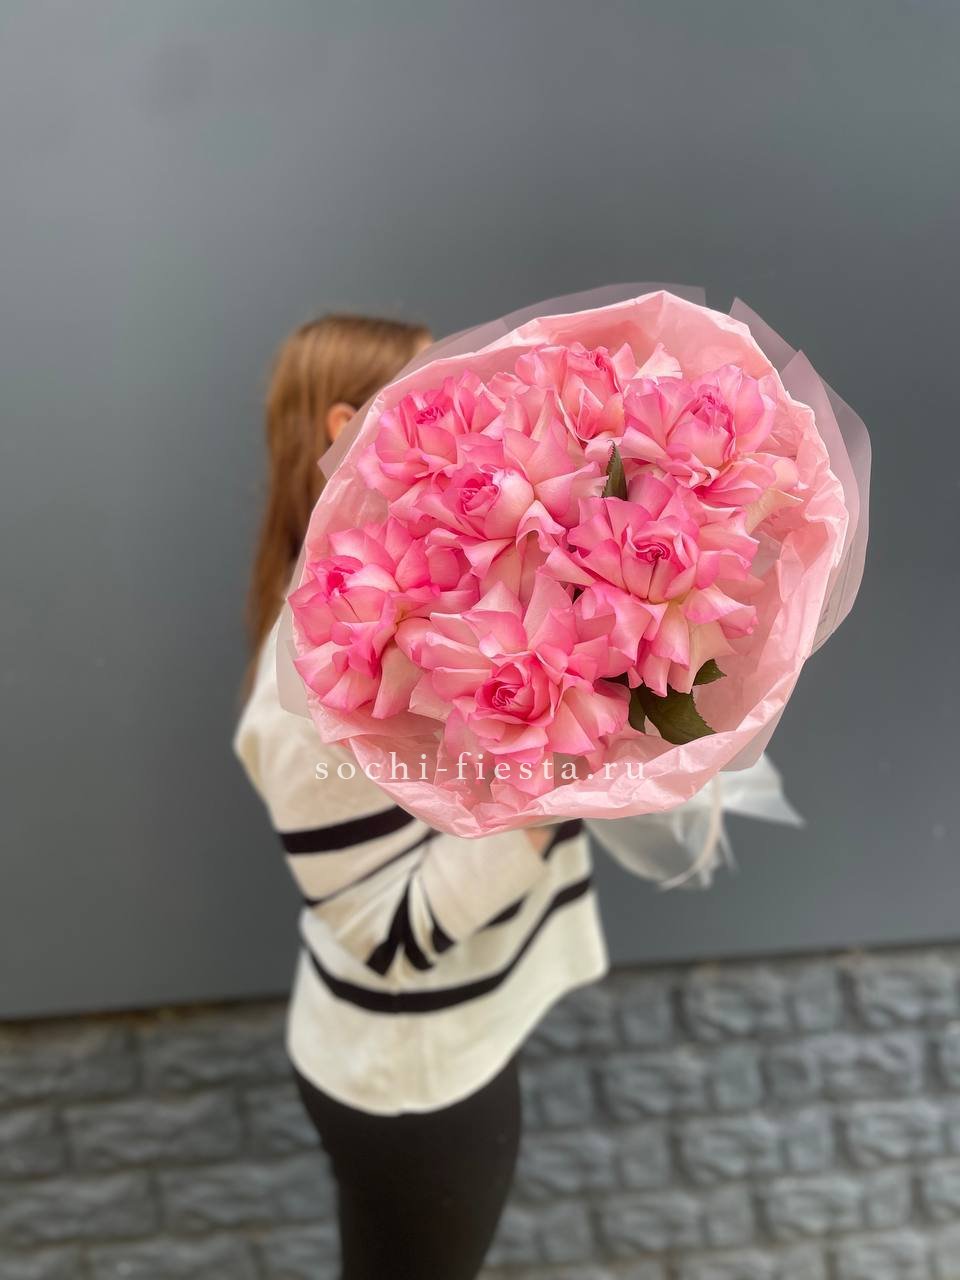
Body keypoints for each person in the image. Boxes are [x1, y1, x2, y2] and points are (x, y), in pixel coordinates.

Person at [232, 312, 610, 1279]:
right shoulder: (306, 679)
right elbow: (390, 933)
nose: (472, 422)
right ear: (347, 429)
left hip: (452, 1045)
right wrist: (562, 766)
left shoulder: (431, 598)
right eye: (434, 403)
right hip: (415, 1076)